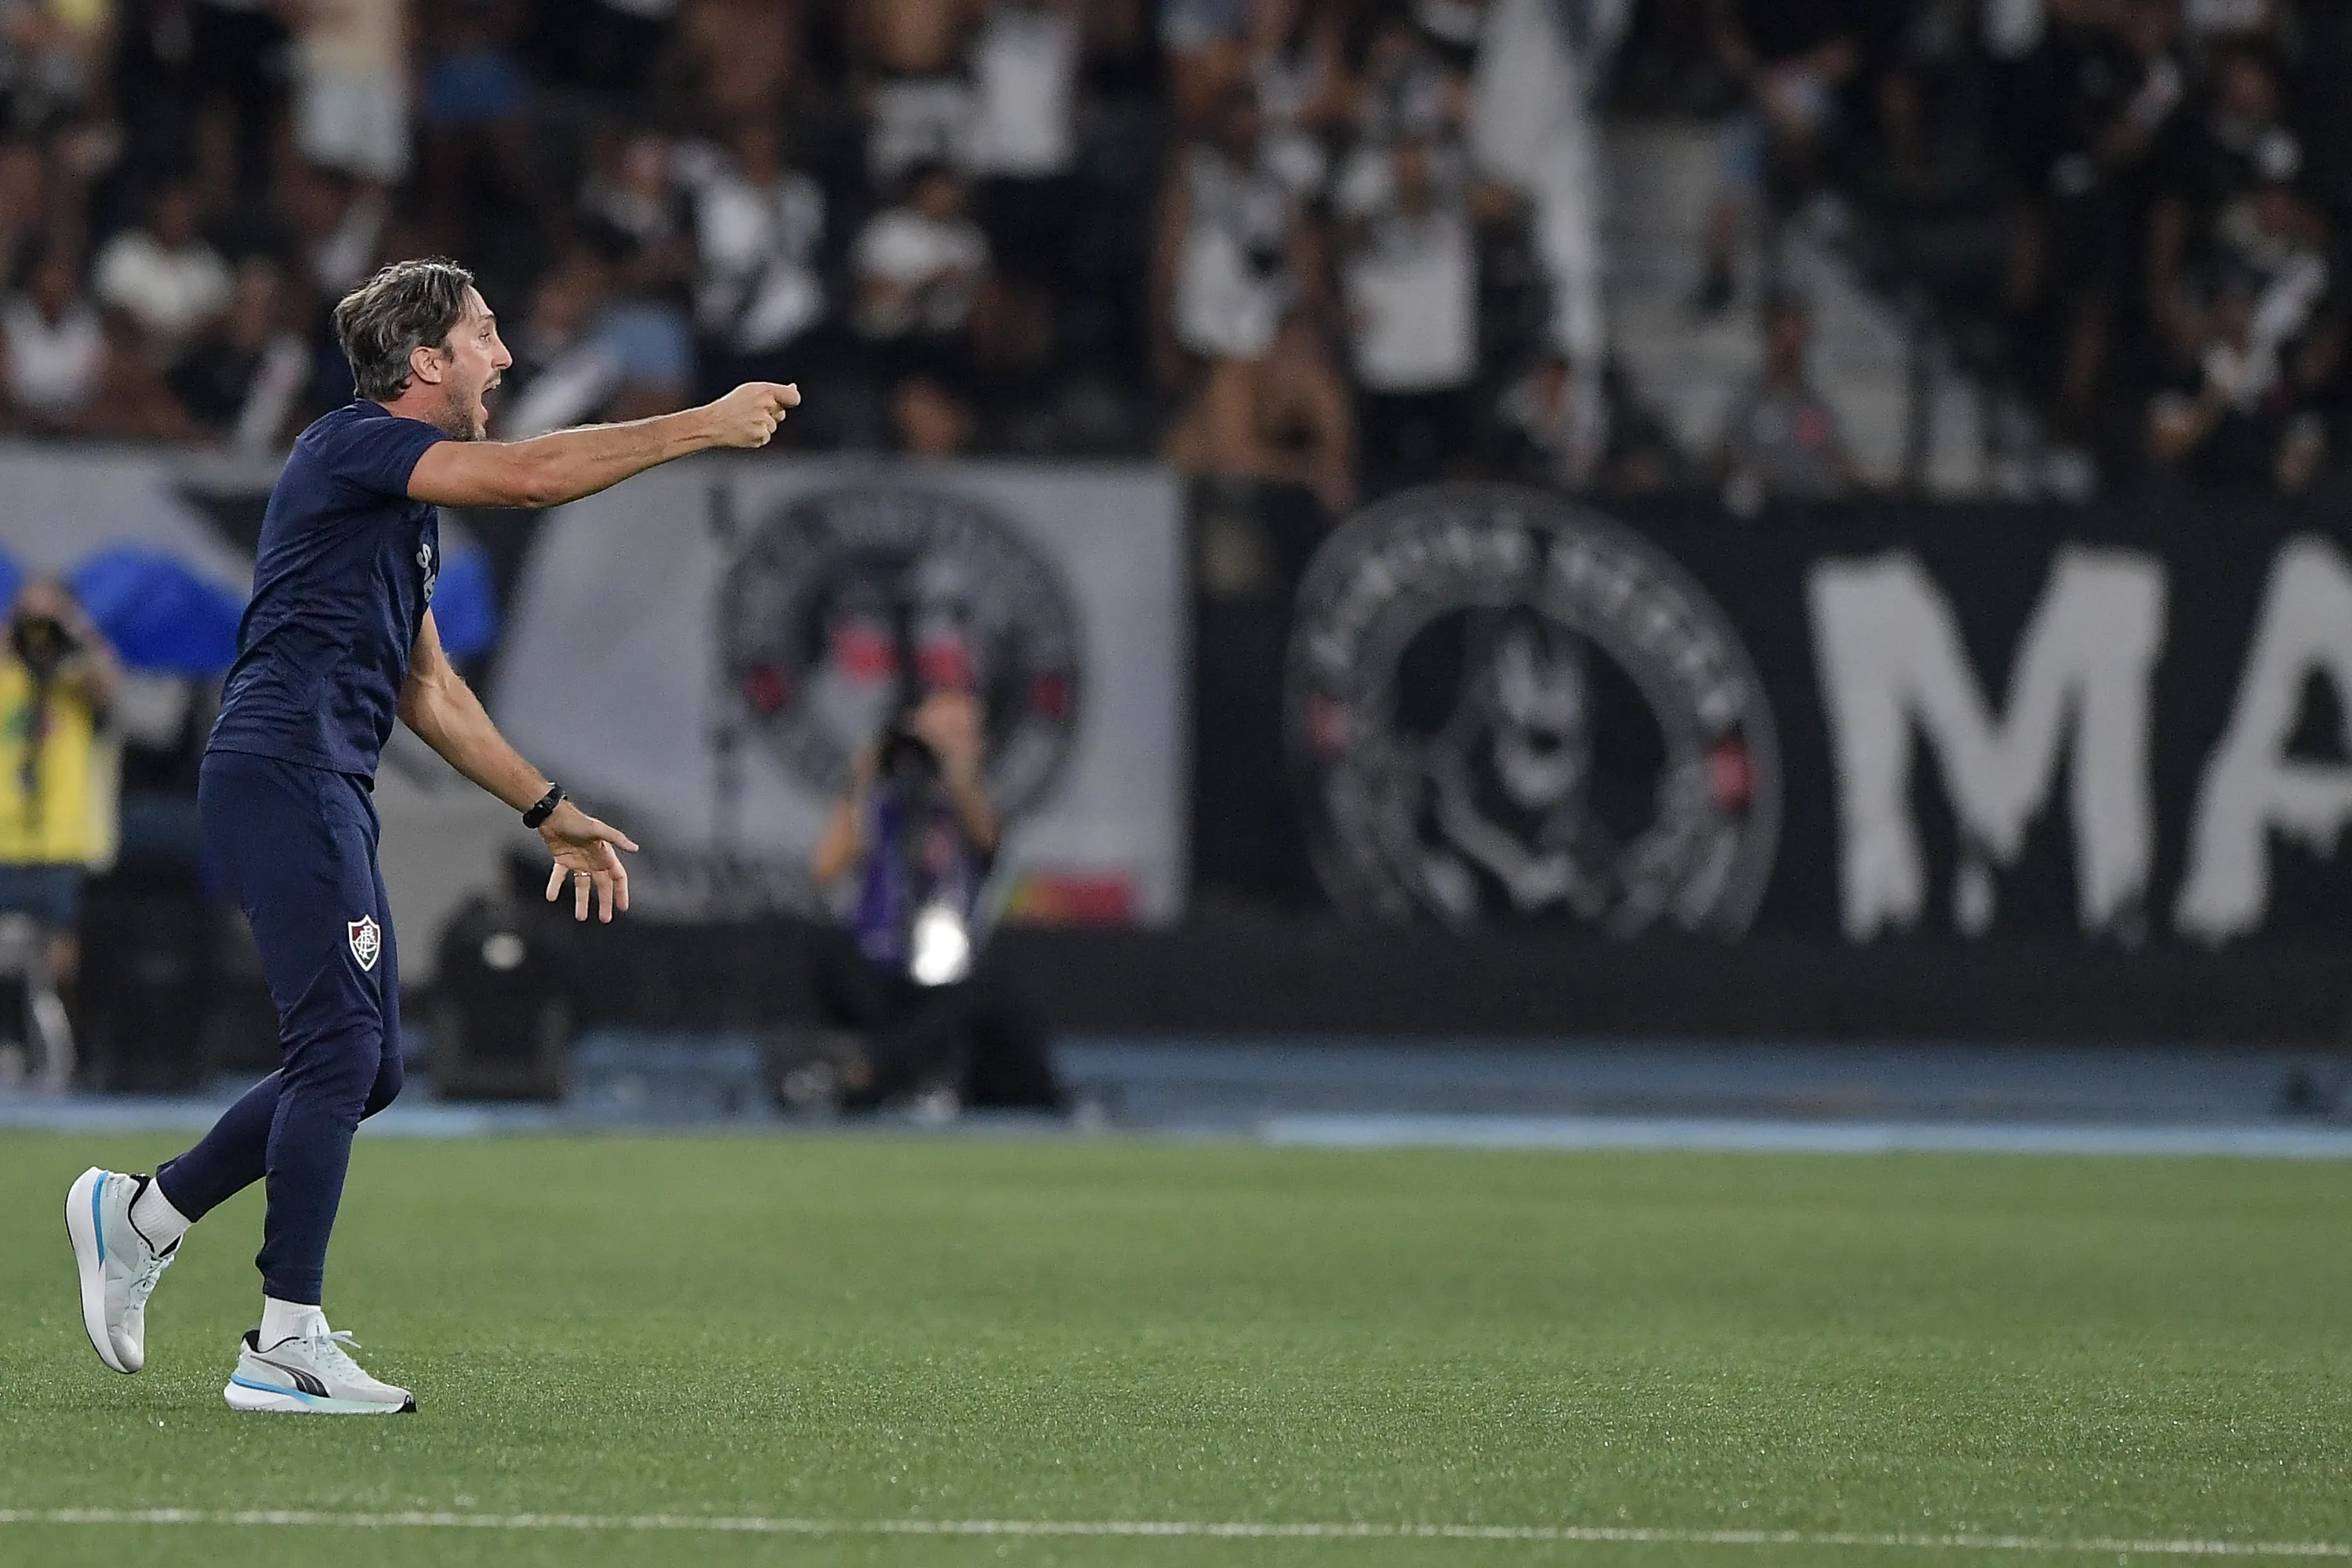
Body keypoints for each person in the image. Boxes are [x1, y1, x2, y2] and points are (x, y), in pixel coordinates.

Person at [64, 256, 800, 1415]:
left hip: (319, 782)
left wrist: (549, 811)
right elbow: (539, 475)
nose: (504, 359)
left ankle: (142, 1216)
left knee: (374, 1065)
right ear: (424, 361)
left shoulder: (397, 512)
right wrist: (697, 426)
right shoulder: (348, 444)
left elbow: (430, 691)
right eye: (487, 336)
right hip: (282, 770)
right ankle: (284, 1342)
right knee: (341, 1055)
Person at [806, 691, 1064, 1116]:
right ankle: (892, 1071)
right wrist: (865, 775)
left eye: (962, 733)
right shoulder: (880, 803)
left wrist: (954, 771)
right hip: (881, 967)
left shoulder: (973, 807)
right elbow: (825, 868)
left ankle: (872, 1073)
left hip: (947, 978)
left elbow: (988, 843)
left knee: (990, 989)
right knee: (827, 953)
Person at [0, 579, 121, 1029]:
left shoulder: (77, 677)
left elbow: (109, 692)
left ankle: (57, 1035)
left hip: (61, 835)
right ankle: (11, 1033)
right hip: (5, 833)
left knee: (59, 947)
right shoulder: (6, 672)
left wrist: (75, 633)